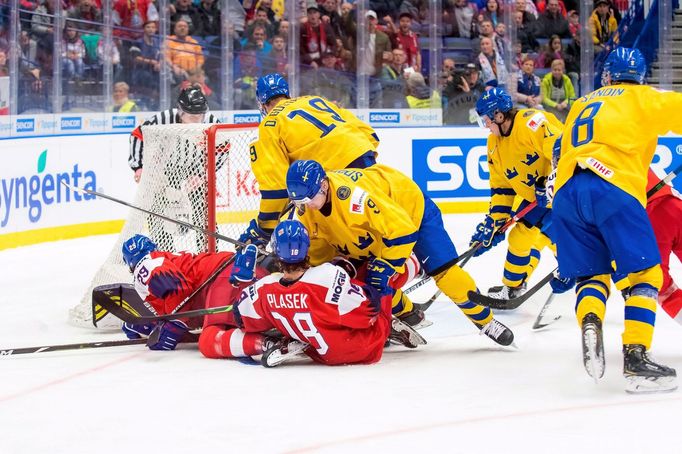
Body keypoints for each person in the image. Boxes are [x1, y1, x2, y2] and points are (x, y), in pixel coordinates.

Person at [552, 48, 682, 393]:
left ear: (607, 75)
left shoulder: (583, 101)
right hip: (613, 187)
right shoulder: (644, 97)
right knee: (645, 274)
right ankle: (636, 358)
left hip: (566, 192)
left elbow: (560, 151)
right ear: (639, 75)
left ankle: (591, 320)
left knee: (591, 275)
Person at [284, 159, 516, 347]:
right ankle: (408, 313)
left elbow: (402, 231)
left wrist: (387, 266)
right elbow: (317, 254)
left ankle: (486, 322)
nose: (306, 205)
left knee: (445, 274)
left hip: (410, 211)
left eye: (308, 198)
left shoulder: (354, 199)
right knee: (357, 279)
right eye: (299, 201)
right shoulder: (307, 207)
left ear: (324, 185)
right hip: (371, 229)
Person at [199, 220, 421, 366]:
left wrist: (242, 281)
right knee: (376, 272)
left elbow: (241, 316)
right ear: (307, 250)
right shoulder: (327, 277)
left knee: (330, 305)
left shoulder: (264, 288)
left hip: (322, 354)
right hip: (366, 347)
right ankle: (416, 263)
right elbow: (367, 313)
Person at [471, 87, 573, 300]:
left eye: (487, 121)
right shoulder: (493, 144)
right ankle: (515, 286)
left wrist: (549, 182)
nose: (487, 127)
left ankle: (630, 283)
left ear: (499, 115)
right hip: (536, 200)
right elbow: (502, 189)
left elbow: (563, 150)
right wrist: (494, 223)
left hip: (564, 195)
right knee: (531, 238)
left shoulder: (531, 123)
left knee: (534, 238)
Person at [119, 234, 268, 351]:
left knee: (210, 339)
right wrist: (152, 326)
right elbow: (179, 306)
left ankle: (267, 344)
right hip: (245, 272)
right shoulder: (167, 260)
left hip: (226, 278)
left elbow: (178, 289)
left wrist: (174, 327)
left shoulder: (146, 264)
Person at [128, 86, 221, 247]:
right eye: (192, 116)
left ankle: (208, 253)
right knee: (157, 212)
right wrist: (138, 167)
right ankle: (166, 252)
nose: (197, 120)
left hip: (196, 170)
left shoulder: (212, 122)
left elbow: (222, 148)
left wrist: (203, 174)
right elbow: (138, 134)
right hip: (165, 170)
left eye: (200, 115)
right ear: (180, 111)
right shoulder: (163, 118)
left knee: (205, 214)